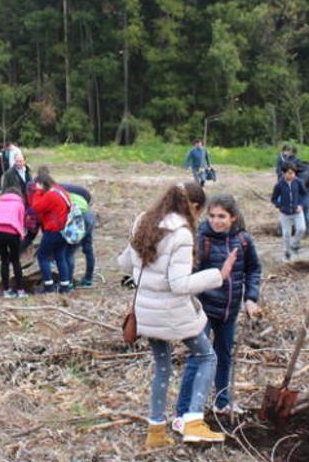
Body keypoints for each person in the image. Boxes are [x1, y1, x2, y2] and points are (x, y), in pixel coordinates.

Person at [118, 182, 230, 447]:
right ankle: (193, 421)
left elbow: (124, 263)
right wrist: (218, 275)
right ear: (193, 207)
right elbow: (179, 284)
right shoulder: (181, 234)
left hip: (146, 311)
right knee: (206, 355)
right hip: (172, 313)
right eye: (200, 213)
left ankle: (155, 433)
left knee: (163, 367)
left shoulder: (142, 222)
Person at [177, 194, 261, 420]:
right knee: (198, 358)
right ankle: (183, 412)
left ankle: (222, 402)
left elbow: (253, 269)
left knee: (224, 356)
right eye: (212, 216)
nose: (216, 221)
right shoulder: (200, 239)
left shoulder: (243, 240)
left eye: (222, 216)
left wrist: (250, 298)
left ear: (233, 217)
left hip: (229, 311)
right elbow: (189, 276)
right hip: (202, 310)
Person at [30, 172, 74, 294]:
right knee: (60, 256)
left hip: (53, 230)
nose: (35, 187)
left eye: (37, 185)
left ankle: (48, 286)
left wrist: (37, 193)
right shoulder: (61, 191)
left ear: (42, 183)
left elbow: (36, 208)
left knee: (42, 256)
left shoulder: (50, 195)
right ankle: (65, 285)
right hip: (64, 230)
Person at [0, 187, 28, 298]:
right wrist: (22, 237)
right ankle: (20, 291)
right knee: (15, 261)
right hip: (13, 231)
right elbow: (21, 222)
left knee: (4, 260)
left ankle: (6, 291)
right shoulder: (19, 204)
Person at [61, 183, 97, 289]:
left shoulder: (55, 192)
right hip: (89, 215)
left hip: (79, 217)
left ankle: (69, 283)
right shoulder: (66, 190)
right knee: (88, 249)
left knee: (68, 252)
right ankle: (88, 279)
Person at [271, 165, 309, 261]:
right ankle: (287, 253)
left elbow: (305, 195)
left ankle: (294, 245)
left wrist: (301, 205)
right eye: (290, 173)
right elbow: (273, 199)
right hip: (285, 213)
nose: (292, 175)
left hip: (297, 211)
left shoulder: (299, 182)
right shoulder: (279, 185)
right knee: (286, 234)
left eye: (293, 173)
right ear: (284, 173)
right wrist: (280, 205)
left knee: (302, 229)